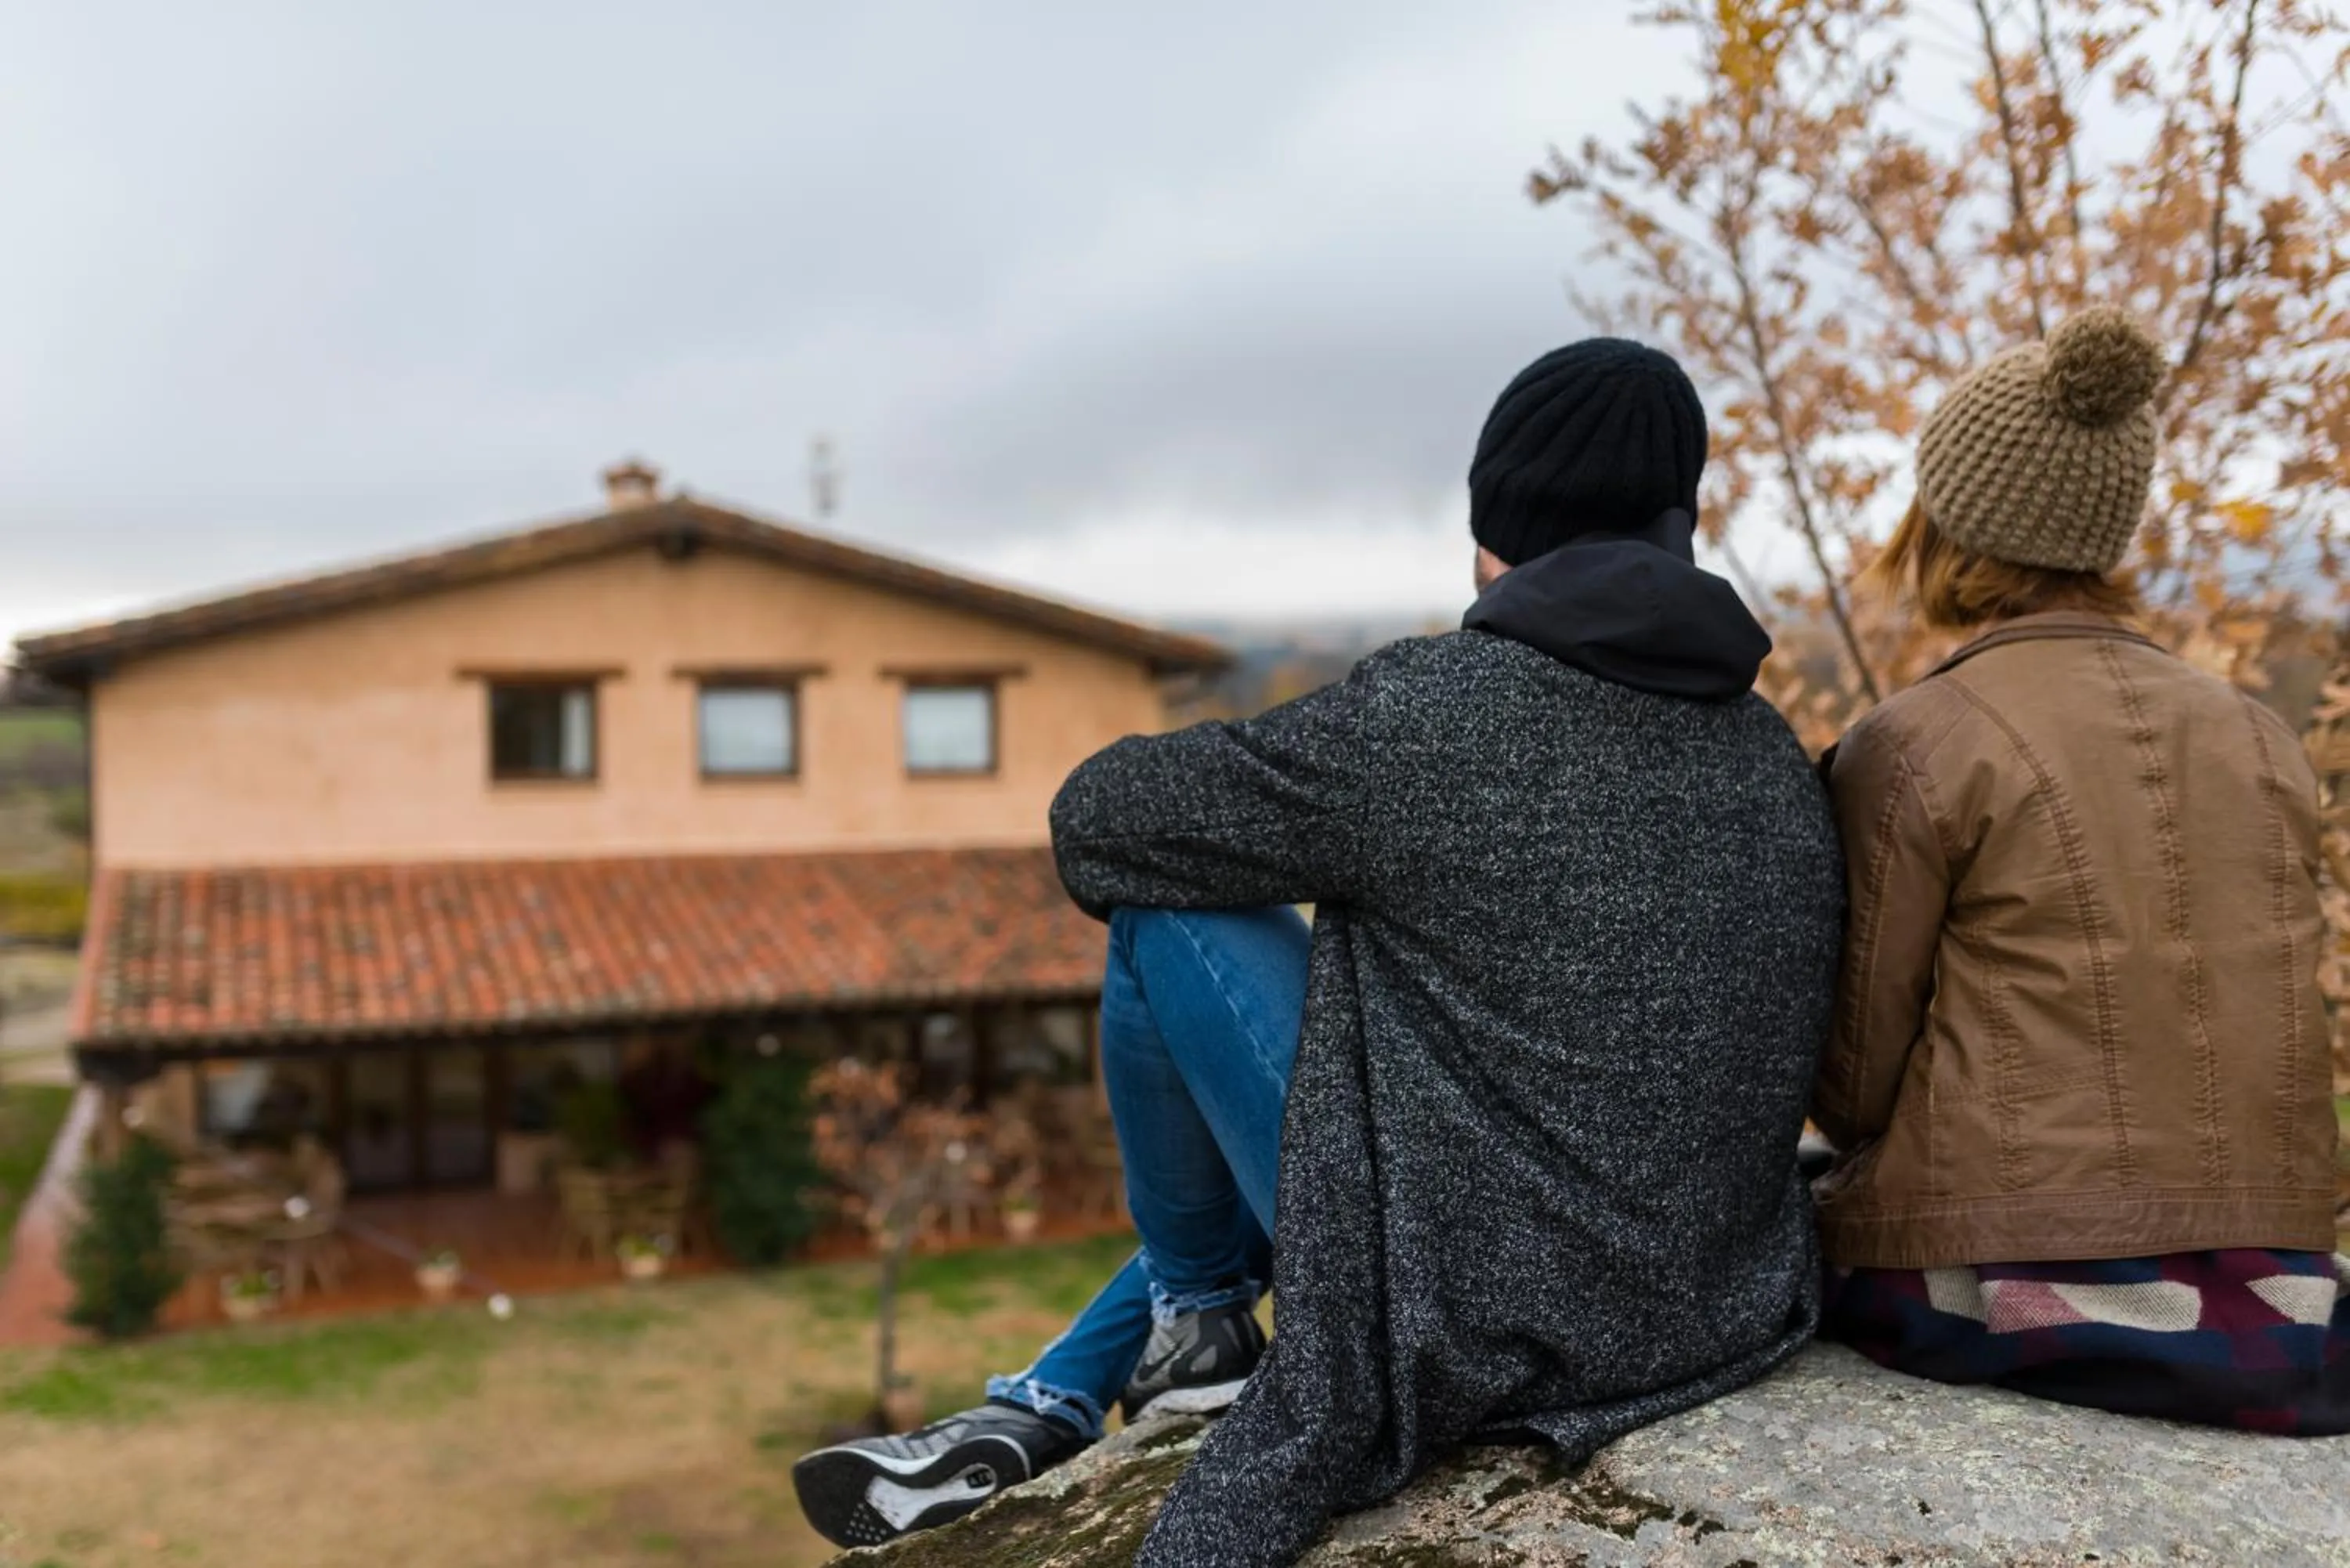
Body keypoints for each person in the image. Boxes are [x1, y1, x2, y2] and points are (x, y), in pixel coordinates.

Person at [794, 341, 1846, 1563]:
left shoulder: (1436, 719)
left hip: (1469, 1320)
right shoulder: (1773, 755)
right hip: (1709, 1308)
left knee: (1171, 903)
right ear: (1682, 527)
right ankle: (1071, 1388)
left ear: (1492, 534)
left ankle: (1191, 1319)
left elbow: (1100, 820)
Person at [1814, 305, 2350, 1431]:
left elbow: (1856, 1085)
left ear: (1947, 518)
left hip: (1998, 1282)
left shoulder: (1912, 744)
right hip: (2279, 1285)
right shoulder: (2263, 736)